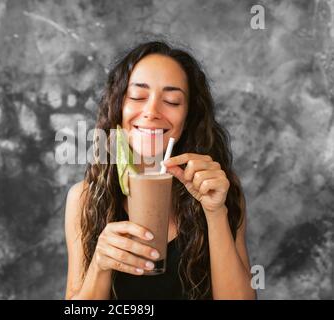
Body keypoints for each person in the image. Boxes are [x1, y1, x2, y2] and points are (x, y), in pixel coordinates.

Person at [64, 41, 256, 300]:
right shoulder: (84, 198)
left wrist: (215, 212)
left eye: (172, 101)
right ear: (119, 106)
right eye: (137, 97)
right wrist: (99, 265)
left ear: (188, 117)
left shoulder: (220, 188)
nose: (152, 111)